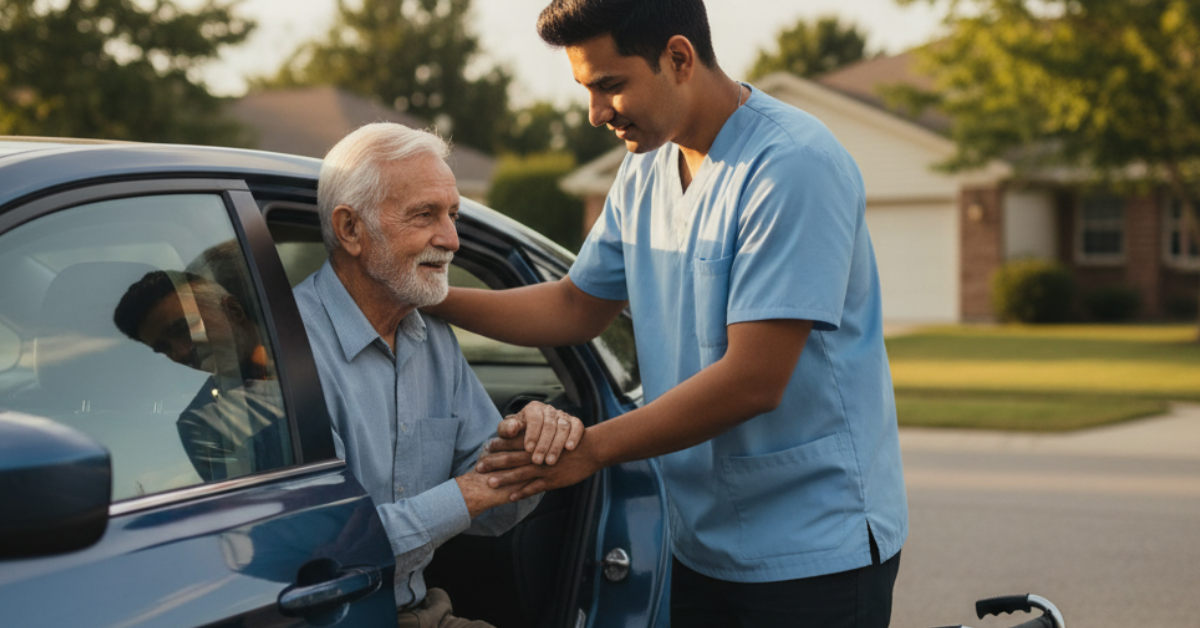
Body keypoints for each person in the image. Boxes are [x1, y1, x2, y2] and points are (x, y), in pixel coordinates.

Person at [427, 1, 909, 626]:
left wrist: (590, 449)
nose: (596, 113)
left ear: (679, 57)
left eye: (610, 85)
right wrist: (429, 298)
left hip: (812, 549)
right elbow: (575, 305)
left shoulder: (792, 165)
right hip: (697, 541)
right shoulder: (646, 168)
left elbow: (755, 380)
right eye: (586, 89)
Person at [292, 122, 583, 627]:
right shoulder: (289, 353)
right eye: (425, 215)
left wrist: (530, 443)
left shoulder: (431, 338)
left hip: (420, 610)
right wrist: (473, 490)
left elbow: (493, 514)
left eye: (453, 214)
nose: (451, 239)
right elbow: (333, 556)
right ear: (350, 230)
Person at [113, 269, 287, 481]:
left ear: (233, 310)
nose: (181, 353)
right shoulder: (204, 423)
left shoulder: (311, 339)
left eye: (184, 329)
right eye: (165, 348)